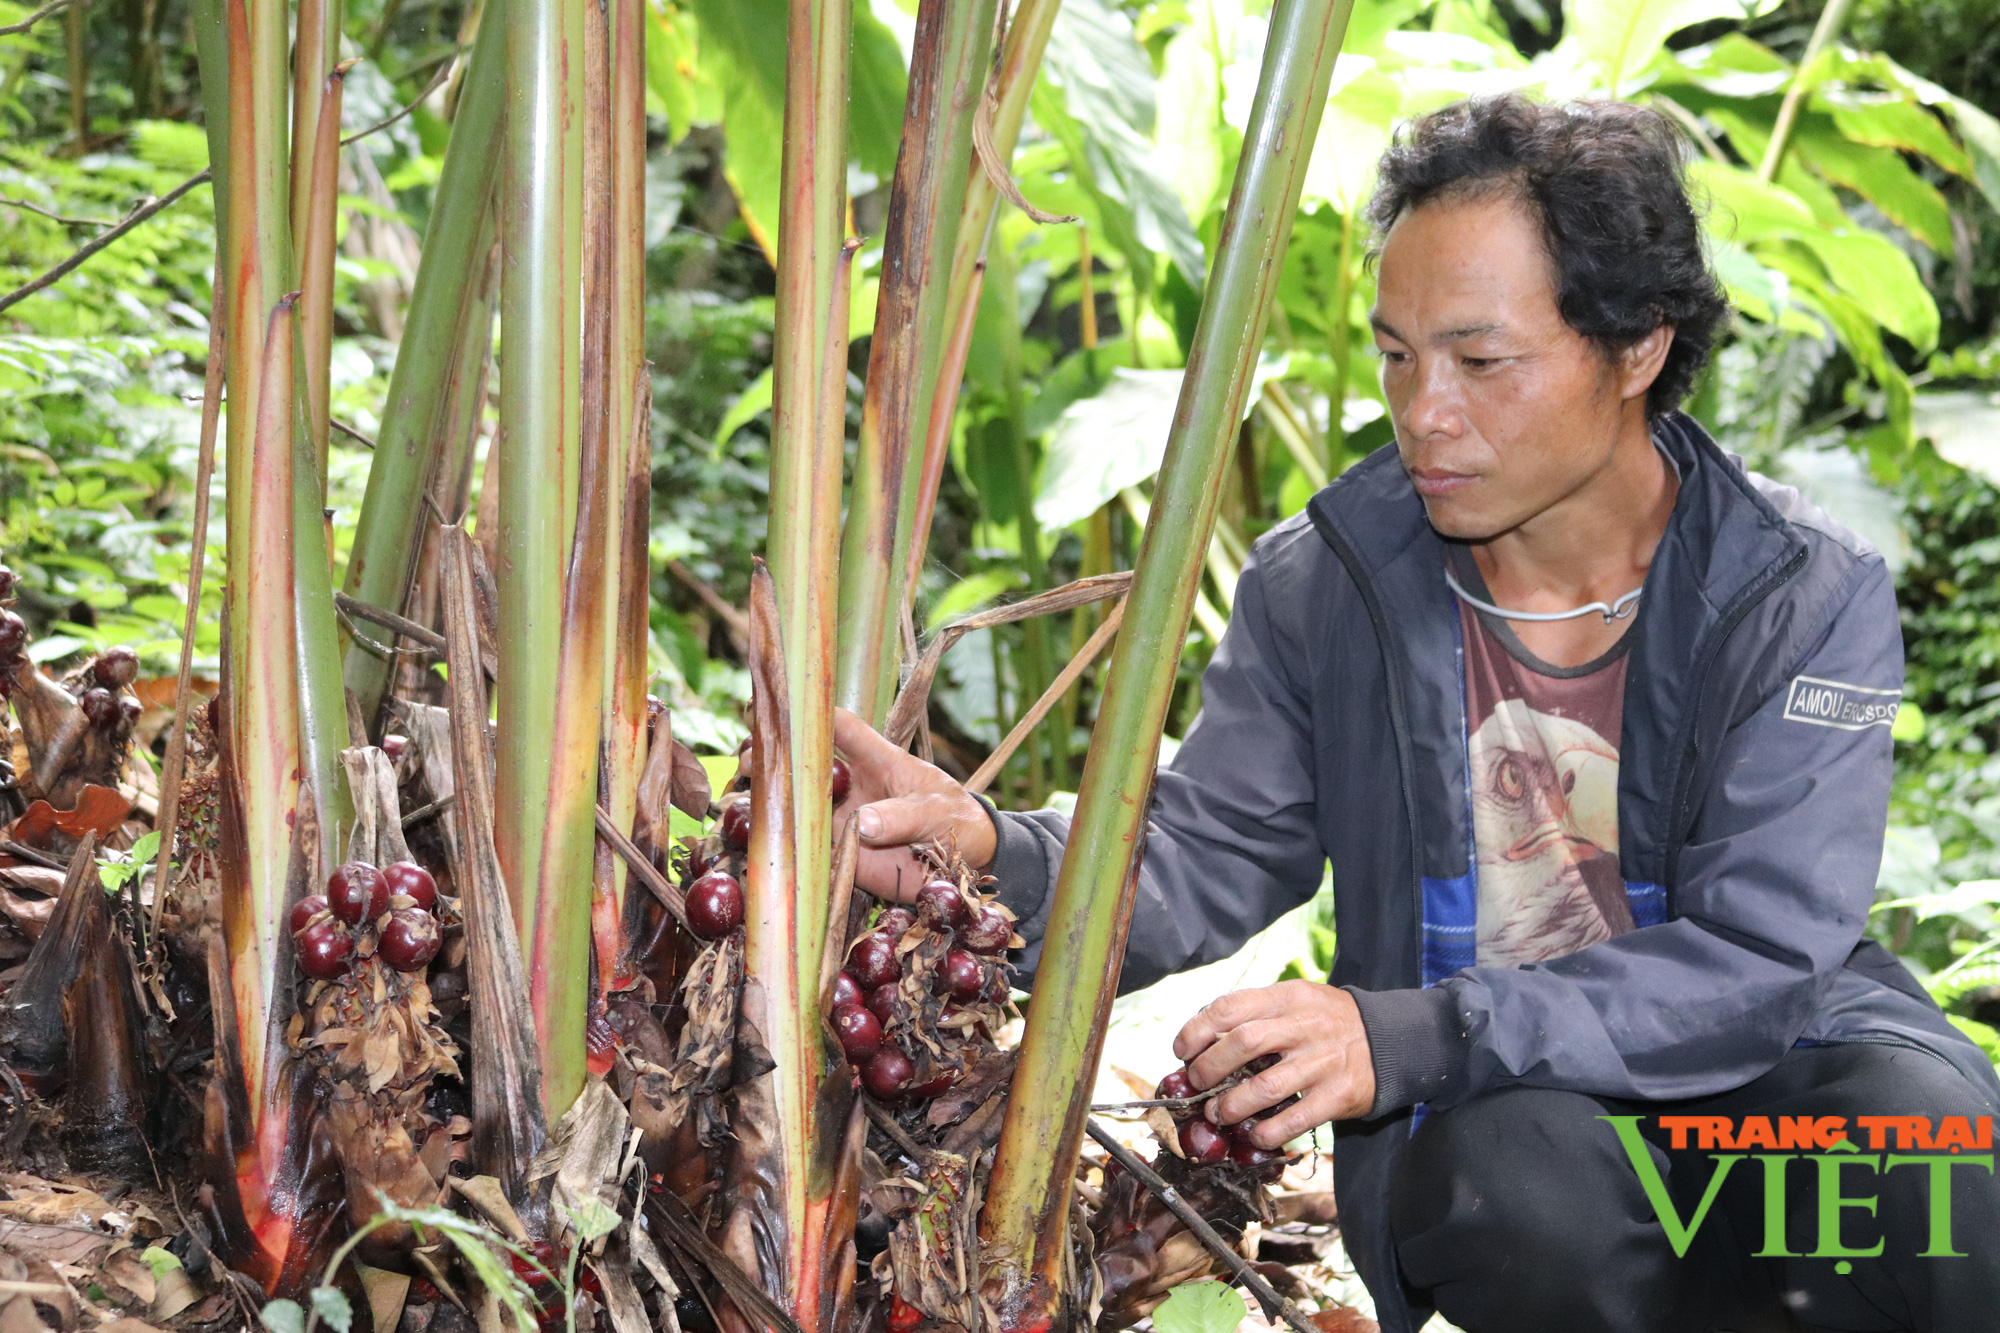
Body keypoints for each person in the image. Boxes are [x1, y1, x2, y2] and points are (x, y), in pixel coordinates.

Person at [830, 94, 2000, 1333]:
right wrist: (987, 861)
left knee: (1932, 1158)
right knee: (1516, 1197)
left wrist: (1401, 1032)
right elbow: (1202, 849)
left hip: (1755, 1091)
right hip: (1506, 1112)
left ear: (1635, 348)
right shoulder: (1328, 581)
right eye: (1397, 354)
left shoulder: (1795, 591)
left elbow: (1761, 959)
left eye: (1479, 361)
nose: (1423, 409)